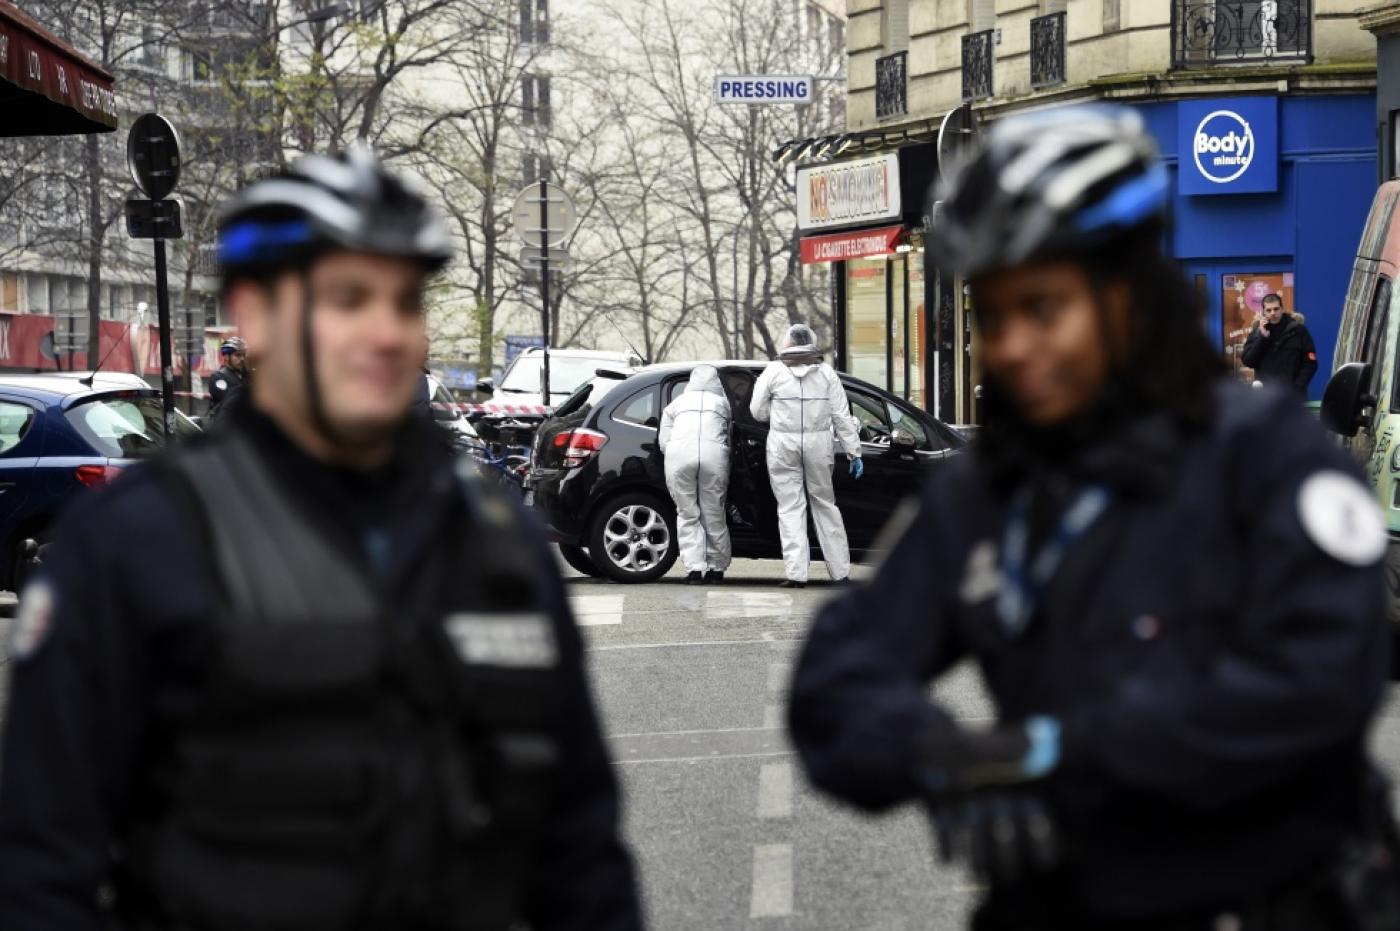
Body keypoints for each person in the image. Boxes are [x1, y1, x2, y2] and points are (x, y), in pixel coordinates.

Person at [788, 106, 1399, 930]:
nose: (1009, 346)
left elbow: (1323, 674)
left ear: (1128, 299)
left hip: (1272, 898)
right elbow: (839, 675)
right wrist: (940, 754)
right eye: (990, 316)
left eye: (1042, 308)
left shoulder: (1266, 457)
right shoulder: (994, 491)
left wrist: (1053, 755)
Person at [0, 146, 641, 931]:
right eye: (348, 298)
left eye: (404, 301)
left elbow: (581, 848)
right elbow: (40, 870)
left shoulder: (490, 537)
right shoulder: (135, 544)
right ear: (257, 312)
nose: (386, 332)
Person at [750, 324, 863, 588]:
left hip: (782, 444)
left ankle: (797, 574)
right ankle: (840, 573)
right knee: (825, 505)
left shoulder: (773, 371)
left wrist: (776, 416)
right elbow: (841, 415)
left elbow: (757, 411)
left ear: (787, 343)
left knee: (790, 507)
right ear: (812, 343)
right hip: (818, 443)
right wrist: (853, 451)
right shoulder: (826, 373)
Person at [658, 364, 732, 585]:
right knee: (714, 513)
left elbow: (664, 441)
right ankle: (716, 569)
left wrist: (673, 450)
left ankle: (694, 570)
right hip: (713, 456)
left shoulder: (677, 404)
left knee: (687, 513)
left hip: (679, 456)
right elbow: (730, 434)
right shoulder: (723, 404)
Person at [1241, 292, 1318, 397]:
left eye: (1276, 309)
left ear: (1282, 309)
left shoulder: (1298, 330)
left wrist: (1298, 387)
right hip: (1264, 396)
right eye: (1268, 310)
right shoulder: (1257, 331)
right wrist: (1263, 338)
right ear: (1263, 312)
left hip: (1292, 396)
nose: (1273, 313)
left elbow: (1310, 363)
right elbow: (1248, 361)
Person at [205, 335, 248, 420]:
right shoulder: (218, 377)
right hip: (224, 425)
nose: (242, 358)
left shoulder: (247, 377)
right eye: (238, 355)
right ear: (227, 357)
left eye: (243, 355)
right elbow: (229, 400)